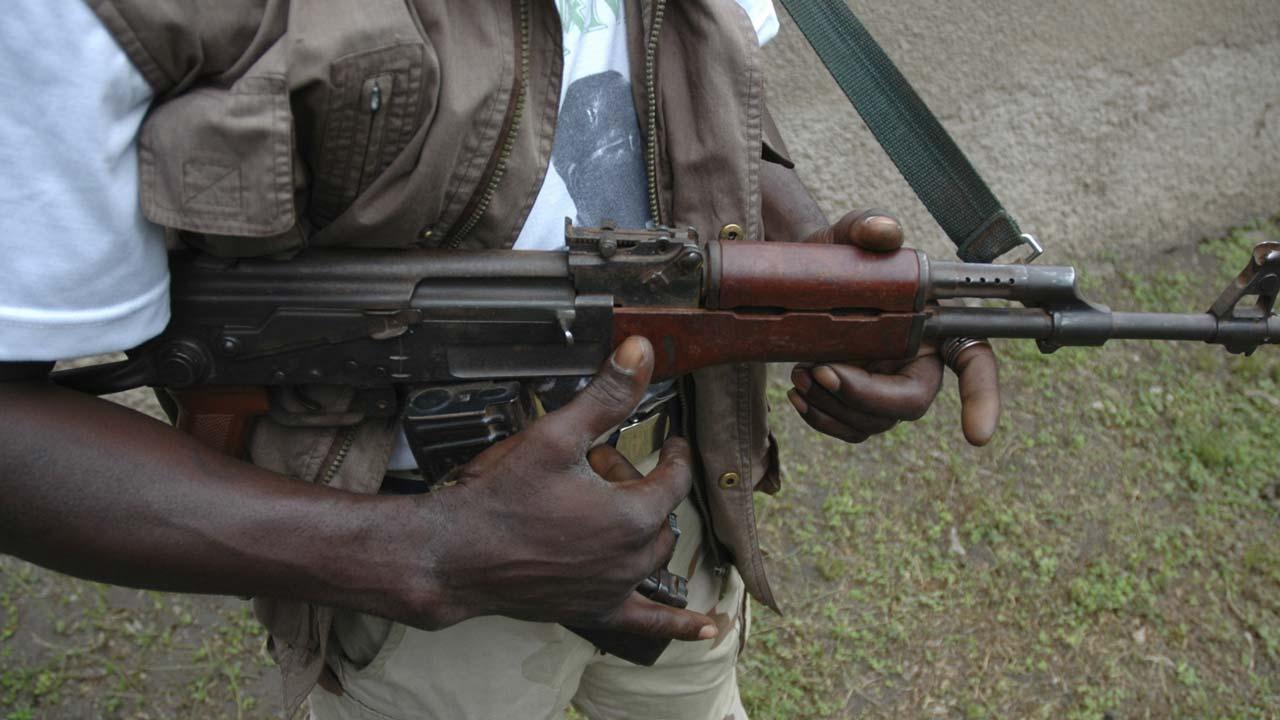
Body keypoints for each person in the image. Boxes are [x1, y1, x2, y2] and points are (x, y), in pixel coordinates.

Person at [0, 1, 999, 718]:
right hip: (407, 610)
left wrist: (827, 284)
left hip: (665, 505)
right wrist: (422, 555)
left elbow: (704, 94)